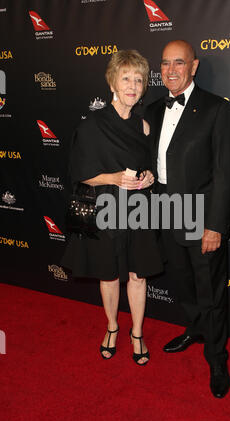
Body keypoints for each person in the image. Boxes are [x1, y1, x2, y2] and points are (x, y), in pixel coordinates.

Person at [145, 40, 230, 397]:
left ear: (194, 66)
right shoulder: (152, 110)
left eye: (179, 62)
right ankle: (194, 329)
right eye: (165, 63)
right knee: (182, 283)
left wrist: (214, 225)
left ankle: (217, 356)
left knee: (210, 290)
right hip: (164, 212)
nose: (170, 70)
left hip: (201, 217)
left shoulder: (217, 110)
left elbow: (224, 174)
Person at [62, 50, 163, 366]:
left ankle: (136, 332)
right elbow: (79, 174)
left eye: (138, 80)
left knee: (137, 274)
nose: (132, 86)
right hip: (104, 207)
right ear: (113, 83)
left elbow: (150, 170)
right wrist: (114, 178)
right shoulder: (92, 125)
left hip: (138, 209)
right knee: (108, 274)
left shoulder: (145, 127)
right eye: (126, 78)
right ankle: (111, 327)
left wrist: (148, 178)